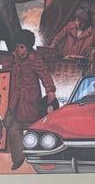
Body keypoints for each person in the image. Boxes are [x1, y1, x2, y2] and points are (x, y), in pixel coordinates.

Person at [4, 31, 57, 170]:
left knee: (35, 128)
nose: (18, 50)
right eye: (17, 47)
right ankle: (18, 158)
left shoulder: (34, 58)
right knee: (13, 128)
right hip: (16, 100)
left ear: (28, 47)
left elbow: (44, 74)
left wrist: (50, 90)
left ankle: (41, 157)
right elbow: (6, 66)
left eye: (21, 47)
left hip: (30, 101)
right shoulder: (15, 58)